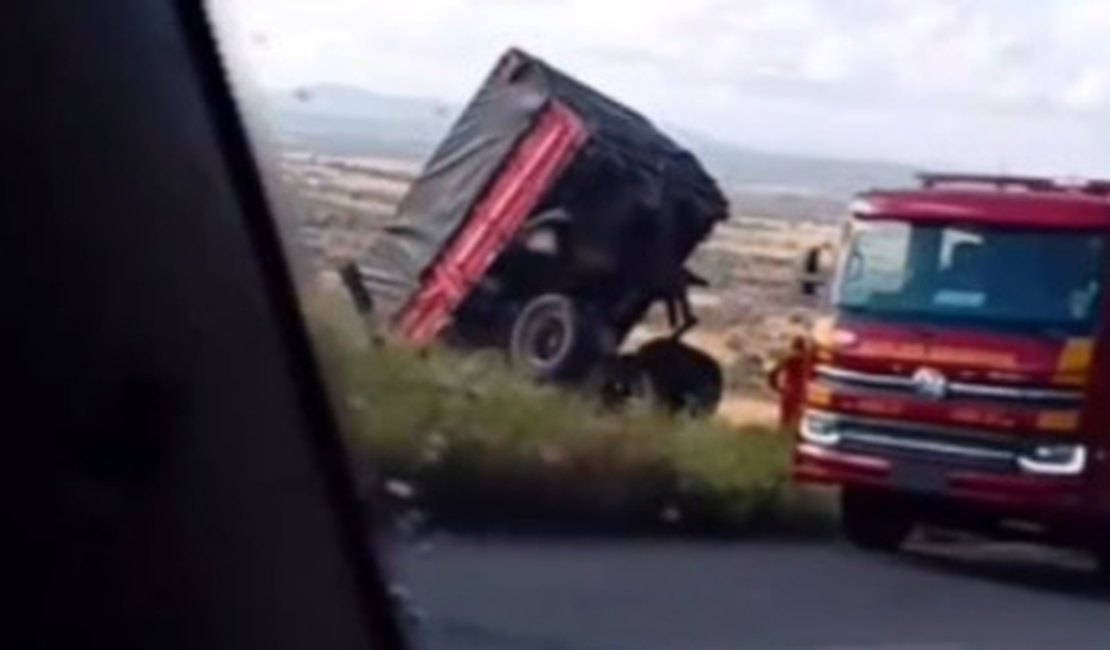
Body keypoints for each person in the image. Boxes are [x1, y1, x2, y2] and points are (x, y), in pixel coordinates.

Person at [767, 336, 809, 430]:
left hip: (788, 392)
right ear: (805, 347)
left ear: (793, 346)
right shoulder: (808, 360)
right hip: (802, 393)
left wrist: (776, 387)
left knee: (784, 422)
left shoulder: (789, 358)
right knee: (800, 423)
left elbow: (772, 373)